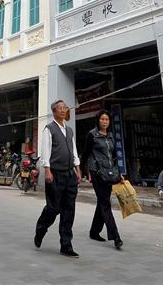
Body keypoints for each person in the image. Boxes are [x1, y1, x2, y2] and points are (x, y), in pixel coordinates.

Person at [34, 100, 81, 258]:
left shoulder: (69, 130)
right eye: (59, 108)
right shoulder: (49, 129)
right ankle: (41, 228)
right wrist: (47, 170)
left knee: (69, 210)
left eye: (64, 108)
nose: (62, 110)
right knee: (53, 208)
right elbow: (45, 150)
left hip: (70, 174)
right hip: (54, 173)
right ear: (54, 111)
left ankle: (66, 245)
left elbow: (74, 151)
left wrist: (78, 169)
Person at [81, 110, 123, 250]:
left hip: (109, 174)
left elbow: (114, 156)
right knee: (105, 203)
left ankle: (94, 232)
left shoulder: (110, 136)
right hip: (97, 173)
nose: (105, 121)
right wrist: (81, 171)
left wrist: (119, 174)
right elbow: (85, 154)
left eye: (107, 119)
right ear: (98, 120)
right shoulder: (92, 135)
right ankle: (116, 236)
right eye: (102, 119)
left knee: (102, 201)